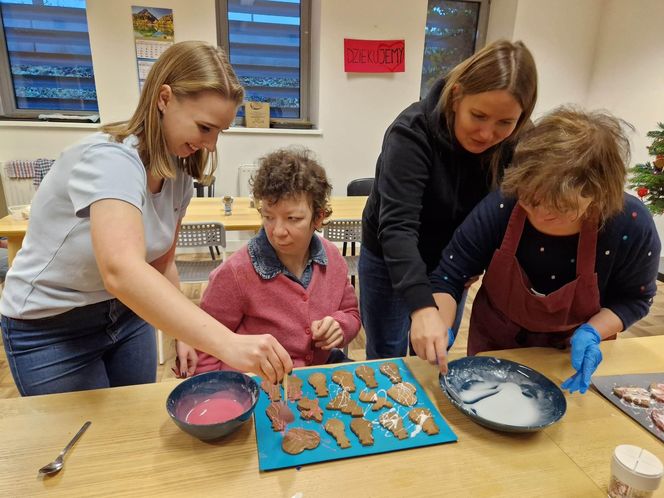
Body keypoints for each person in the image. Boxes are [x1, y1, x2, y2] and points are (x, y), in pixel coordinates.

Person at [0, 41, 292, 396]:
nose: (212, 144)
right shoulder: (109, 159)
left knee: (130, 430)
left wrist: (183, 332)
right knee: (88, 444)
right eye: (204, 127)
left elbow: (160, 262)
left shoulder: (178, 173)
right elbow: (121, 269)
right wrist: (226, 343)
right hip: (52, 326)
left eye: (219, 131)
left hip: (125, 317)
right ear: (164, 99)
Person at [423, 107, 661, 393]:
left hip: (567, 359)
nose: (540, 213)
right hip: (496, 344)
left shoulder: (629, 225)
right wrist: (440, 322)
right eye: (531, 199)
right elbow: (450, 274)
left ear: (598, 196)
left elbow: (635, 299)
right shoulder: (502, 206)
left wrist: (592, 331)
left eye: (561, 208)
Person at [359, 39, 538, 359]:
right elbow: (397, 228)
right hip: (393, 258)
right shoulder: (411, 132)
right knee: (387, 352)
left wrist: (474, 260)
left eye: (504, 123)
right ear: (456, 96)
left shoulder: (520, 143)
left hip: (451, 264)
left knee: (434, 351)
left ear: (521, 118)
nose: (487, 134)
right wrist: (421, 306)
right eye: (478, 115)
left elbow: (510, 215)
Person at [190, 148, 361, 374]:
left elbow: (351, 312)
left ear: (318, 217)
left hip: (316, 374)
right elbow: (206, 346)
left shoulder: (333, 259)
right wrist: (219, 394)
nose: (278, 231)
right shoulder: (236, 272)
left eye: (293, 219)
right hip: (259, 382)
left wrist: (340, 326)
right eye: (268, 217)